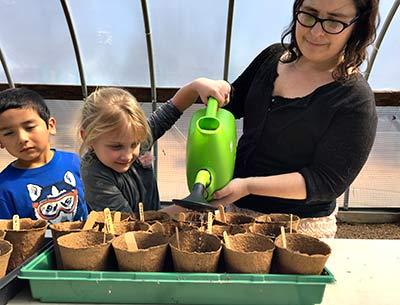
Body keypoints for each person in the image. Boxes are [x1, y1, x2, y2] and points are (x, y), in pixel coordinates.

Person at [167, 0, 379, 239]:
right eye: (309, 15)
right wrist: (213, 89)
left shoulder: (354, 99)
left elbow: (325, 182)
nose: (316, 31)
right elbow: (233, 105)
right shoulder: (272, 58)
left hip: (300, 226)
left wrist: (247, 186)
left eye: (334, 21)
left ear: (357, 26)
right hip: (233, 211)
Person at [78, 81, 229, 214]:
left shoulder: (135, 135)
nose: (128, 155)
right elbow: (128, 227)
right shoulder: (94, 173)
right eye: (116, 147)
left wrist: (196, 86)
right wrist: (190, 207)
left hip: (152, 230)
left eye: (134, 144)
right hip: (121, 241)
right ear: (88, 138)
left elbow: (171, 110)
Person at [0, 88, 88, 223]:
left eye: (29, 127)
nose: (22, 138)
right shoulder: (4, 187)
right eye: (8, 133)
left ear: (51, 125)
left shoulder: (75, 162)